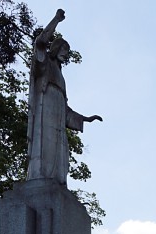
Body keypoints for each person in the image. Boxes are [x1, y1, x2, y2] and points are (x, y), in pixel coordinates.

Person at [27, 9, 102, 185]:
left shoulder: (60, 77)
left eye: (67, 52)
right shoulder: (44, 63)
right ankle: (41, 178)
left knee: (60, 153)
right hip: (45, 113)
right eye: (63, 49)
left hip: (58, 116)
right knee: (45, 149)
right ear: (55, 48)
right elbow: (40, 43)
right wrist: (56, 20)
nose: (65, 54)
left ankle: (56, 182)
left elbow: (66, 108)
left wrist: (85, 118)